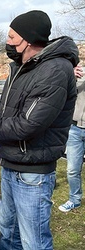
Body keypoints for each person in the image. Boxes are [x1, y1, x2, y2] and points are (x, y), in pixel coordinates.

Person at [0, 10, 78, 249]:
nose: (7, 42)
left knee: (34, 242)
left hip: (32, 174)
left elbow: (27, 125)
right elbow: (8, 114)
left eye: (11, 37)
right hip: (11, 164)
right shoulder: (23, 67)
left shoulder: (54, 71)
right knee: (9, 234)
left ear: (28, 40)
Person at [58, 65, 85, 212]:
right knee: (72, 170)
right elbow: (65, 92)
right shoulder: (80, 75)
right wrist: (71, 76)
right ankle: (75, 200)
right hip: (74, 129)